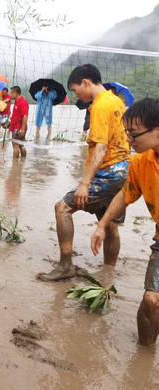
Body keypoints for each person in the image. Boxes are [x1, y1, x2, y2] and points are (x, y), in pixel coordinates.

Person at [39, 64, 129, 281]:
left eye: (75, 88)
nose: (75, 94)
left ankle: (66, 266)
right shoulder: (118, 101)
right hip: (124, 170)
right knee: (111, 226)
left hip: (108, 171)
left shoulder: (100, 105)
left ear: (86, 82)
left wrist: (86, 183)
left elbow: (101, 147)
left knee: (62, 208)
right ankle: (108, 274)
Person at [91, 98, 159, 345]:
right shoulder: (139, 162)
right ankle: (144, 355)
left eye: (134, 134)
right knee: (151, 301)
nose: (128, 140)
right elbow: (126, 194)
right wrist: (101, 225)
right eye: (127, 133)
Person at [9, 86, 29, 158]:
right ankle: (22, 161)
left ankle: (14, 165)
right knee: (21, 145)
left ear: (16, 93)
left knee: (16, 146)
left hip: (19, 128)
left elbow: (25, 116)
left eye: (11, 93)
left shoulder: (23, 102)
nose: (10, 95)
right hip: (15, 126)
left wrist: (23, 129)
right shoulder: (16, 101)